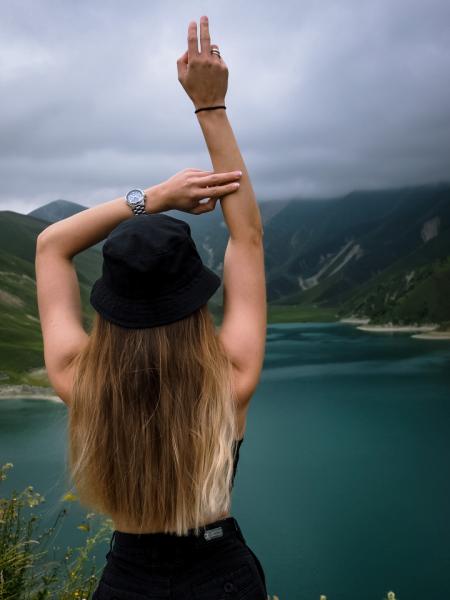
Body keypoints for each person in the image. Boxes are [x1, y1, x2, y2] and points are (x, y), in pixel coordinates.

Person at [35, 14, 267, 600]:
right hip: (223, 577)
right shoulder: (229, 381)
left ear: (110, 304)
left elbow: (51, 245)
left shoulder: (80, 381)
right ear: (195, 299)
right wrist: (210, 107)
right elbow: (247, 240)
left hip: (128, 581)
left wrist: (153, 197)